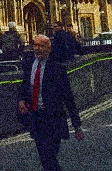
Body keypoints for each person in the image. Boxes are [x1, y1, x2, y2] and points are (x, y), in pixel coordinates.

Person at [15, 34, 83, 171]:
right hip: (36, 118)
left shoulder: (57, 68)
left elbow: (68, 98)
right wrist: (21, 100)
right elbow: (24, 86)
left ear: (49, 48)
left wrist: (77, 126)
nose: (37, 49)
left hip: (53, 119)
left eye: (41, 46)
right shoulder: (29, 65)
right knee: (45, 157)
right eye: (35, 45)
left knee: (49, 157)